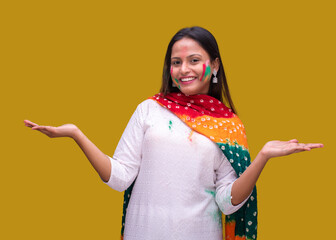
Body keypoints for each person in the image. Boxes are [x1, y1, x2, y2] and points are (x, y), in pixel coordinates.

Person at [24, 26, 323, 240]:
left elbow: (227, 201)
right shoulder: (149, 110)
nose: (184, 69)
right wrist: (77, 134)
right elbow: (119, 178)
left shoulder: (229, 125)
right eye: (176, 62)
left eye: (194, 60)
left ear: (214, 65)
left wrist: (263, 157)